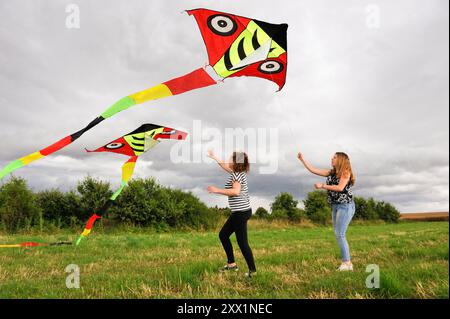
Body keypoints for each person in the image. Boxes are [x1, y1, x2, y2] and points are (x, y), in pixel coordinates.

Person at [298, 152, 356, 271]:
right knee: (338, 234)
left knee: (340, 234)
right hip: (335, 206)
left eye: (334, 157)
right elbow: (313, 170)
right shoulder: (331, 172)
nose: (331, 159)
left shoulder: (346, 172)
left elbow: (340, 188)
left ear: (340, 160)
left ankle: (347, 263)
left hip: (345, 206)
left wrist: (323, 186)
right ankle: (346, 262)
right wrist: (303, 160)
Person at [207, 150, 257, 277]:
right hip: (241, 212)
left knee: (242, 243)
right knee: (223, 235)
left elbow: (235, 192)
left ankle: (253, 271)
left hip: (240, 213)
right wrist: (214, 157)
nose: (228, 160)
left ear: (236, 163)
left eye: (231, 159)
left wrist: (216, 190)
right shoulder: (238, 173)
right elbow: (224, 165)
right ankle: (231, 264)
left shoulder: (237, 176)